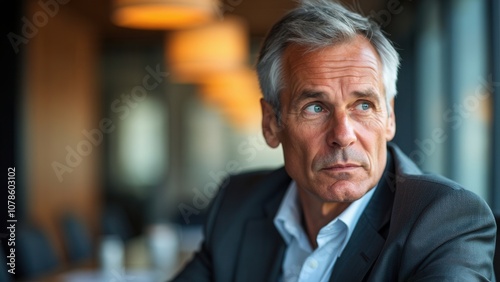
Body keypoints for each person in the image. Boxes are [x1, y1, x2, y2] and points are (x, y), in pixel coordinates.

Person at [172, 0, 497, 281]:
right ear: (272, 124)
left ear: (390, 117)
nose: (343, 135)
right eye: (315, 107)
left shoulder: (446, 220)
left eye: (364, 105)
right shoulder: (240, 202)